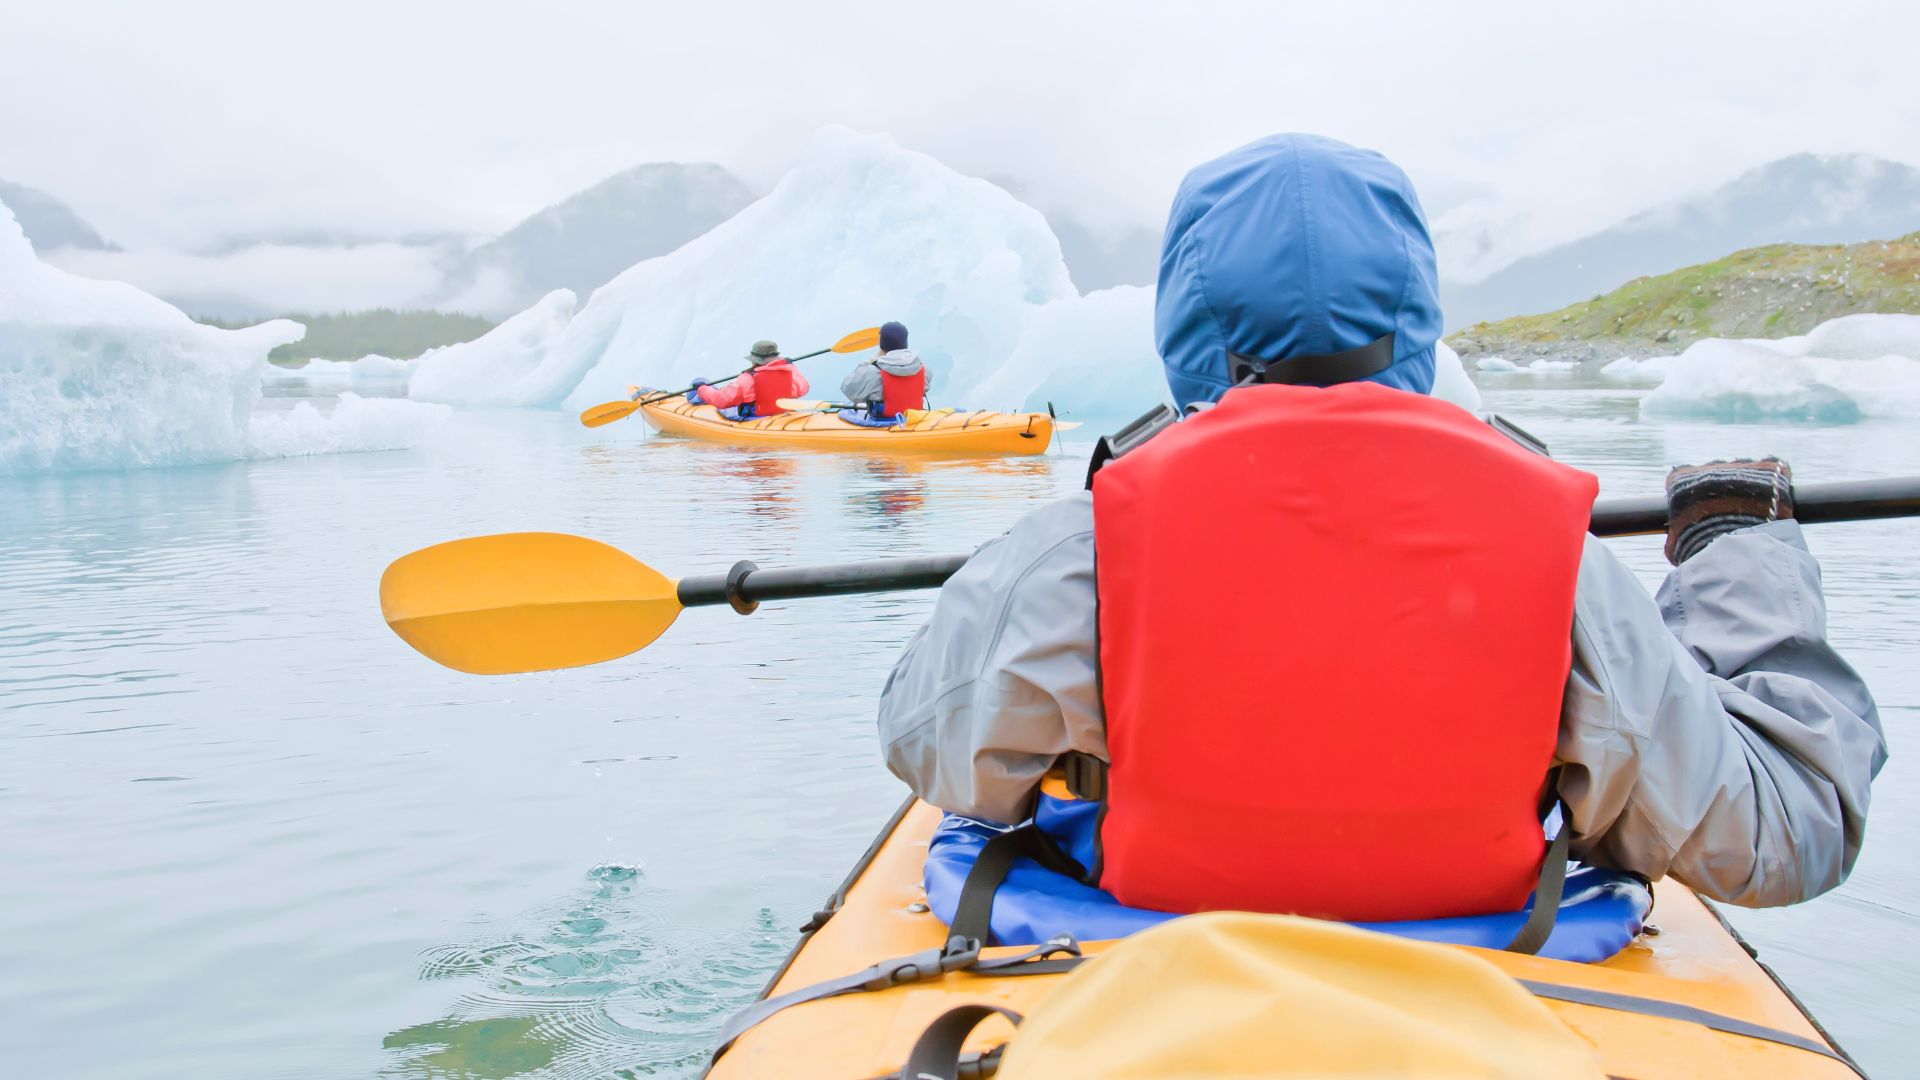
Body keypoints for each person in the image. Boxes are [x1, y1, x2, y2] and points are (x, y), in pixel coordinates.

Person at [876, 134, 1885, 921]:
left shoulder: (1083, 549)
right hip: (1498, 943)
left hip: (1154, 931)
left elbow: (930, 747)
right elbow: (1787, 831)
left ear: (1186, 325)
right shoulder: (1559, 570)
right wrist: (1734, 548)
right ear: (1414, 316)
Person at [689, 340, 810, 419]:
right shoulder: (789, 372)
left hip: (754, 417)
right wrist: (791, 366)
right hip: (781, 413)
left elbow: (720, 400)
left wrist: (702, 389)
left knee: (701, 383)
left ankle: (696, 397)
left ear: (754, 360)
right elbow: (803, 388)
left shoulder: (748, 379)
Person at [841, 321, 929, 419]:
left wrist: (868, 362)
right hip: (913, 420)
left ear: (882, 346)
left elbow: (849, 390)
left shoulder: (872, 372)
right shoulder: (924, 369)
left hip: (883, 423)